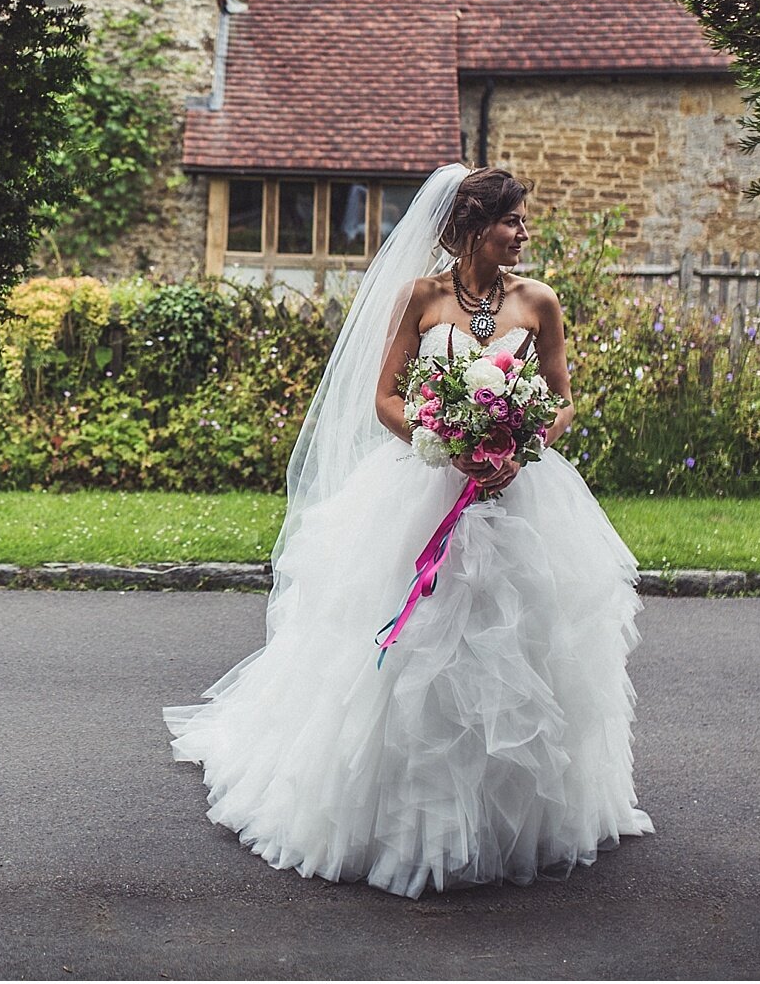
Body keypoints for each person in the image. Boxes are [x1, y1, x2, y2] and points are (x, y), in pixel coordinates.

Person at [163, 163, 655, 897]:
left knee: (520, 649)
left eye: (523, 222)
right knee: (416, 651)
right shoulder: (419, 298)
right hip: (426, 487)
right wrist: (444, 437)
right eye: (512, 221)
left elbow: (560, 399)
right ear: (471, 228)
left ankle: (516, 813)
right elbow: (385, 397)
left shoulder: (540, 301)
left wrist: (522, 444)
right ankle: (402, 814)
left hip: (518, 495)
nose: (524, 234)